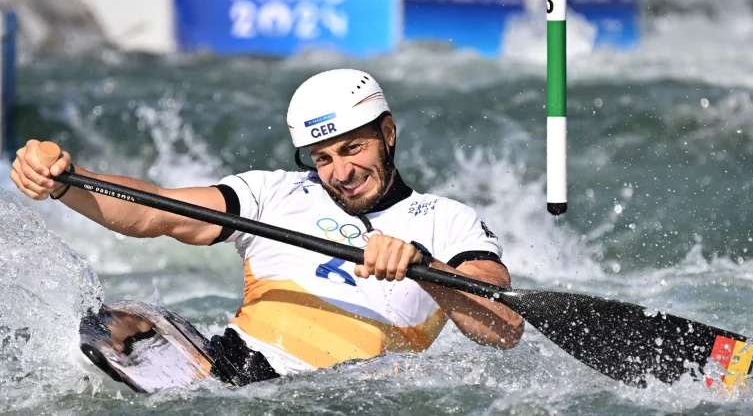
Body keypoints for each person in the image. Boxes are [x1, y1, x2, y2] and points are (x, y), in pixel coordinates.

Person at [10, 69, 524, 385]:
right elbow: (156, 210)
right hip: (230, 371)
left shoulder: (446, 219)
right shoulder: (272, 193)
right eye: (321, 158)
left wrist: (423, 267)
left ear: (387, 133)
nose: (339, 173)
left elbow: (504, 328)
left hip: (345, 394)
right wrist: (64, 181)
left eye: (353, 149)